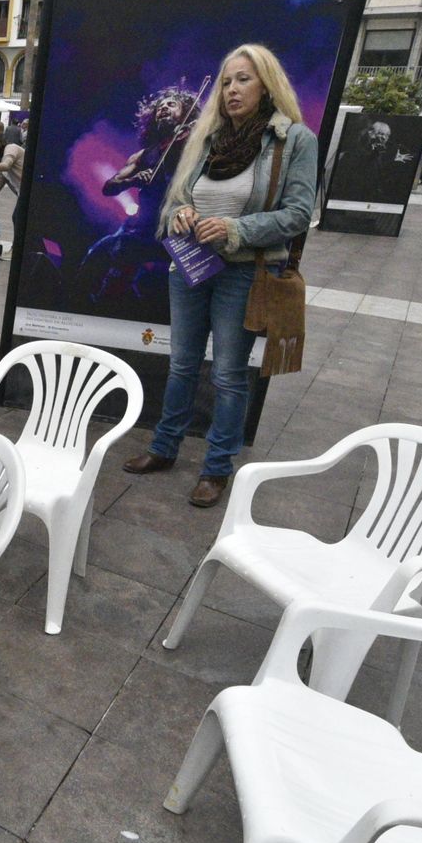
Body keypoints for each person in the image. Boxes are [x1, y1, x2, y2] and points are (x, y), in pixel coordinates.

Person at [123, 43, 318, 509]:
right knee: (182, 365)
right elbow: (173, 201)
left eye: (244, 79)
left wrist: (236, 228)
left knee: (229, 375)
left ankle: (216, 469)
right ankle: (164, 448)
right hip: (190, 266)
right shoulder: (208, 139)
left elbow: (299, 214)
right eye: (227, 81)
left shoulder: (294, 140)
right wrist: (182, 214)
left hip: (244, 273)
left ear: (267, 83)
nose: (232, 89)